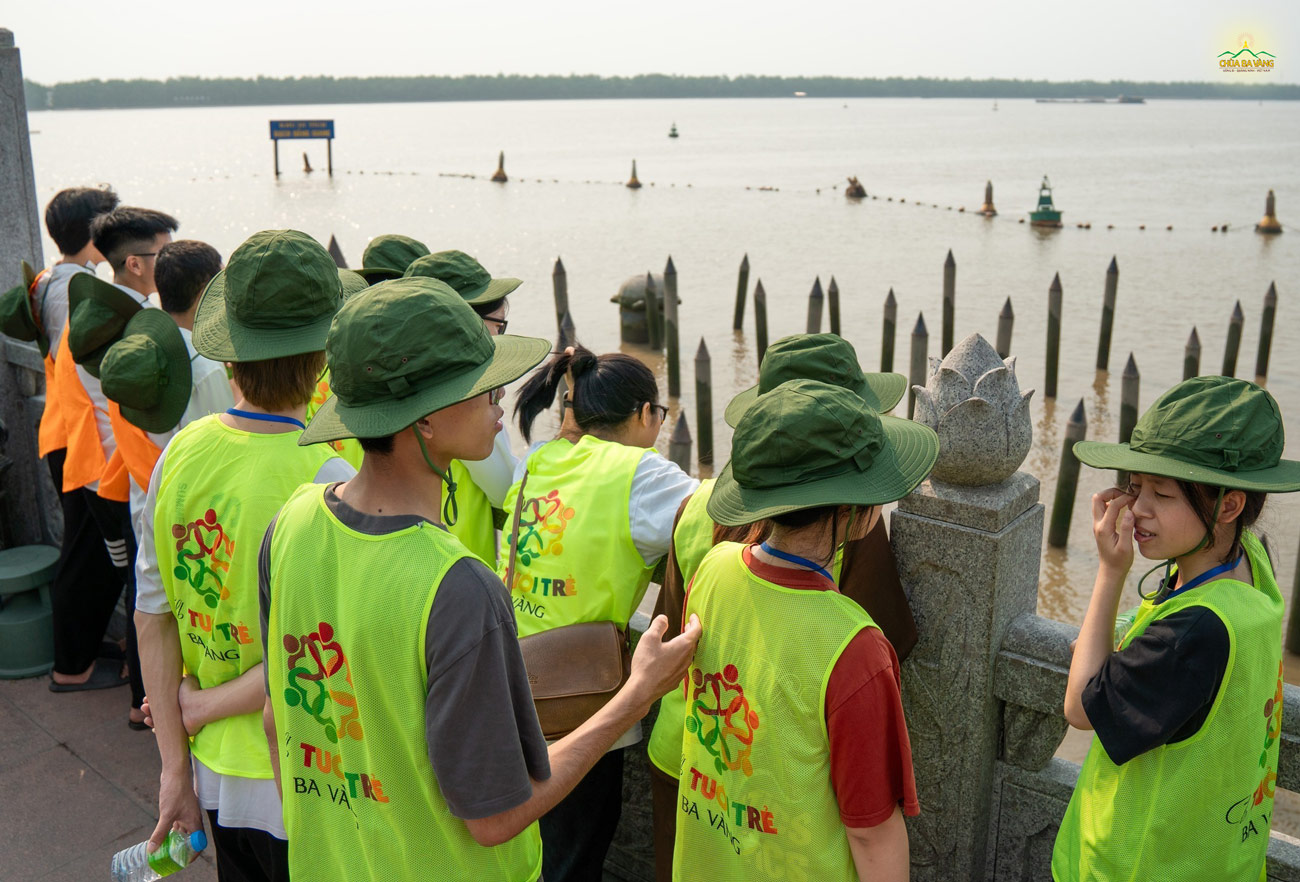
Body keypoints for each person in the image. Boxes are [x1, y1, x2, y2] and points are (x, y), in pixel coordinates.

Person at [259, 277, 701, 881]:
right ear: (427, 420)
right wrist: (638, 692)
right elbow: (497, 815)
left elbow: (274, 716)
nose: (502, 400)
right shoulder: (458, 585)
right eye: (481, 386)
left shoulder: (292, 520)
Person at [645, 333, 916, 882]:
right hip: (787, 811)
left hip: (697, 777)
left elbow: (676, 635)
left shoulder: (712, 551)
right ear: (854, 507)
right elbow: (871, 825)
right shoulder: (856, 643)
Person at [134, 230, 355, 882]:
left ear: (229, 355)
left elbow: (154, 616)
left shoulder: (181, 452)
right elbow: (326, 643)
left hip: (216, 773)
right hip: (305, 773)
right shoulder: (331, 474)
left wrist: (176, 767)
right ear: (322, 358)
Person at [1053, 376, 1297, 881]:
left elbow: (1079, 707)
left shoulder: (1193, 635)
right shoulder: (1250, 562)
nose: (1138, 508)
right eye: (1135, 486)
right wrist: (1125, 627)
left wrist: (1110, 572)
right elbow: (1170, 613)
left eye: (1162, 493)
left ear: (1228, 506)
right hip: (1219, 860)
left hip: (1138, 866)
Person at [505, 344, 698, 882]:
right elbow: (720, 517)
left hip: (512, 678)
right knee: (573, 860)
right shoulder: (640, 473)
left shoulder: (537, 460)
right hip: (582, 701)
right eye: (657, 414)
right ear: (642, 414)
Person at [50, 206, 178, 722]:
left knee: (129, 581)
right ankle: (140, 702)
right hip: (118, 474)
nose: (169, 261)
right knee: (142, 589)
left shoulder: (97, 311)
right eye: (164, 253)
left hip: (105, 467)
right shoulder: (124, 325)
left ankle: (133, 689)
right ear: (135, 265)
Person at [0, 187, 126, 693]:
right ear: (94, 232)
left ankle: (80, 649)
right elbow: (94, 381)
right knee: (91, 555)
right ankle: (70, 669)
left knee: (84, 548)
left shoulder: (52, 280)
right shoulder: (82, 294)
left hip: (60, 432)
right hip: (86, 442)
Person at [402, 249, 523, 564]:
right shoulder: (465, 397)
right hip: (456, 564)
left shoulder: (395, 377)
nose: (498, 336)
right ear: (464, 323)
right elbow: (506, 490)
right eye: (498, 325)